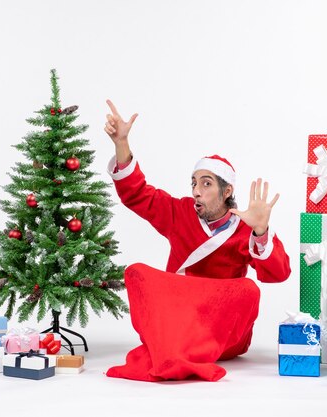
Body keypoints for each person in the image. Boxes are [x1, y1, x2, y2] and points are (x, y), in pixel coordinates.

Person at [103, 99, 291, 382]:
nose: (196, 191)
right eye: (193, 183)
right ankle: (176, 345)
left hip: (220, 331)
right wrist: (121, 143)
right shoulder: (179, 213)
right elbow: (137, 194)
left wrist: (261, 231)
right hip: (180, 316)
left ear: (227, 191)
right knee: (137, 272)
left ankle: (182, 348)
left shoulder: (244, 228)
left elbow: (278, 274)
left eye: (206, 183)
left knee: (248, 289)